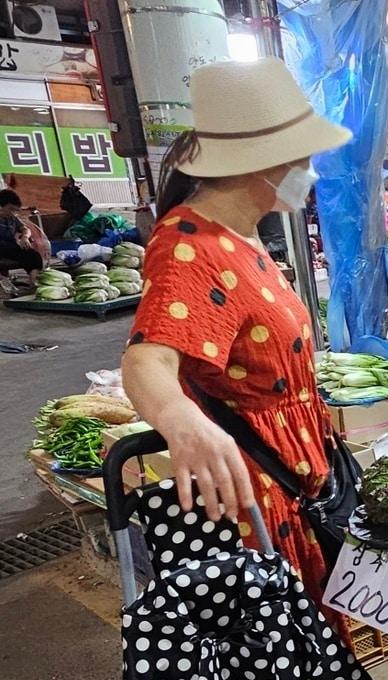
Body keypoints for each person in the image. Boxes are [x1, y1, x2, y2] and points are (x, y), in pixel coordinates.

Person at [120, 56, 352, 614]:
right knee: (280, 672)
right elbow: (147, 359)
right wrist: (182, 425)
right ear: (264, 164)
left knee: (315, 667)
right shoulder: (189, 243)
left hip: (295, 489)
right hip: (256, 501)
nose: (311, 172)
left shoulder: (243, 236)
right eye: (304, 159)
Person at [0, 188, 44, 283]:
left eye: (15, 211)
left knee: (33, 255)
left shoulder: (12, 219)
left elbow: (25, 229)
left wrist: (25, 237)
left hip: (9, 248)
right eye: (10, 209)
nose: (13, 213)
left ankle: (34, 282)